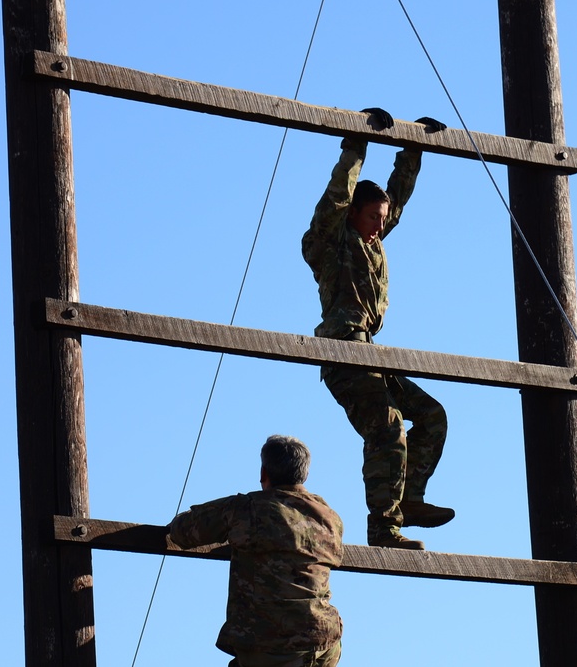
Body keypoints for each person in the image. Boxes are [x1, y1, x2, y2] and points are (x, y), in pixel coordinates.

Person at [301, 108, 453, 551]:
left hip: (369, 351)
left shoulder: (373, 239)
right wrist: (358, 142)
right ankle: (383, 529)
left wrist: (414, 146)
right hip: (342, 350)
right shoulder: (331, 243)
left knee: (431, 415)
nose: (380, 226)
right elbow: (335, 198)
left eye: (384, 219)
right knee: (387, 426)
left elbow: (398, 197)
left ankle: (410, 499)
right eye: (372, 217)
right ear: (353, 215)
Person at [168, 434, 344, 667]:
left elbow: (182, 531)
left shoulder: (248, 509)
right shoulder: (330, 518)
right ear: (305, 474)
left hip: (272, 643)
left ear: (264, 474)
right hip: (324, 642)